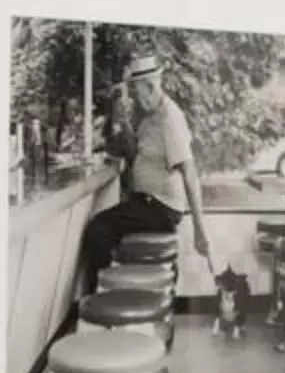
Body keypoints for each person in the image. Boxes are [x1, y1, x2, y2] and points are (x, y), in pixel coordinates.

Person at [76, 50, 212, 300]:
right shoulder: (149, 115)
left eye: (137, 92)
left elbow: (190, 174)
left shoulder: (169, 120)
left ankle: (102, 299)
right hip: (147, 202)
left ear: (150, 86)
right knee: (108, 227)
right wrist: (119, 117)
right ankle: (119, 294)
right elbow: (129, 151)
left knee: (98, 229)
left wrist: (200, 230)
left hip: (160, 206)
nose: (135, 99)